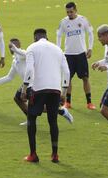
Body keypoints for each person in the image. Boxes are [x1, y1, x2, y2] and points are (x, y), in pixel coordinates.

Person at [0, 38, 73, 125]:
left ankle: (60, 111)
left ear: (18, 46)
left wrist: (15, 49)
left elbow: (24, 53)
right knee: (18, 98)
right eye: (10, 47)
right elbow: (9, 77)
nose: (10, 49)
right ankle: (31, 119)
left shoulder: (24, 54)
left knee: (36, 106)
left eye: (12, 46)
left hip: (34, 84)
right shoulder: (15, 60)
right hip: (26, 85)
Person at [22, 29, 70, 163]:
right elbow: (66, 72)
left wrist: (25, 88)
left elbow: (30, 69)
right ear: (46, 37)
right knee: (53, 121)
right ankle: (55, 154)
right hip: (55, 89)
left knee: (31, 118)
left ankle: (33, 154)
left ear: (35, 37)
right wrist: (64, 92)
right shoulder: (57, 49)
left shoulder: (32, 47)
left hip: (38, 88)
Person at [56, 2, 96, 110]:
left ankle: (89, 102)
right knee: (68, 78)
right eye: (67, 12)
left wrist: (90, 48)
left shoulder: (83, 20)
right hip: (68, 54)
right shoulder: (63, 22)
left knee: (85, 78)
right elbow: (59, 36)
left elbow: (91, 33)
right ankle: (68, 102)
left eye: (71, 12)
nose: (69, 14)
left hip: (81, 54)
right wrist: (58, 50)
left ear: (76, 10)